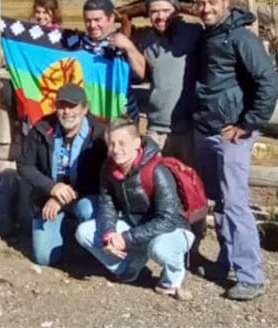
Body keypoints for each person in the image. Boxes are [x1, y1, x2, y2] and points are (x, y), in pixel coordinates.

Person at [191, 0, 278, 301]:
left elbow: (269, 83)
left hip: (231, 134)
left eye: (212, 2)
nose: (206, 8)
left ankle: (251, 276)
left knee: (236, 204)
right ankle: (225, 262)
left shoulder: (241, 38)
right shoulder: (208, 37)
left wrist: (247, 123)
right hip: (206, 129)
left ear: (225, 2)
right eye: (201, 3)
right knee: (220, 201)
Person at [76, 119, 195, 300]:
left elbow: (167, 219)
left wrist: (126, 238)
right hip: (137, 226)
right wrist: (109, 234)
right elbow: (107, 205)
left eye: (122, 143)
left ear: (137, 144)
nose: (116, 149)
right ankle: (129, 266)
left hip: (173, 229)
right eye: (112, 144)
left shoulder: (157, 170)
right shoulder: (108, 169)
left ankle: (173, 276)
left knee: (159, 247)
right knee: (84, 232)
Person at [16, 83, 107, 266]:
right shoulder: (41, 129)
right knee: (44, 258)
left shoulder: (98, 135)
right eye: (61, 106)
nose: (67, 112)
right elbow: (24, 165)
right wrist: (51, 188)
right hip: (48, 196)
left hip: (84, 196)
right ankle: (63, 231)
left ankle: (88, 248)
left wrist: (62, 197)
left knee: (90, 210)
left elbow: (101, 178)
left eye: (72, 106)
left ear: (84, 108)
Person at [133, 0, 203, 164]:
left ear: (176, 10)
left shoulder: (193, 32)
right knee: (153, 182)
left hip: (187, 128)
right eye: (154, 11)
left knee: (188, 183)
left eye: (166, 10)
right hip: (155, 128)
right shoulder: (147, 40)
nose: (160, 16)